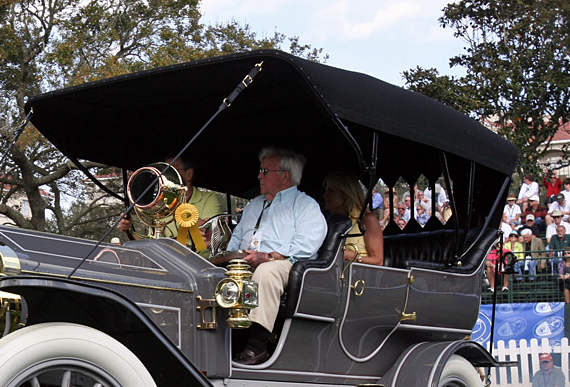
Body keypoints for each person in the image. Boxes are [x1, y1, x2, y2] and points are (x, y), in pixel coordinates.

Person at [220, 147, 327, 365]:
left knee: (266, 273)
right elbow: (237, 236)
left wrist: (268, 256)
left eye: (265, 171)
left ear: (285, 175)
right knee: (212, 275)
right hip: (247, 260)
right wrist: (226, 259)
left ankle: (257, 347)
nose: (259, 175)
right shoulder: (255, 204)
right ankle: (218, 341)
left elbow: (308, 244)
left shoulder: (305, 205)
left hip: (285, 263)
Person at [117, 156, 223, 245]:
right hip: (170, 265)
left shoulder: (209, 198)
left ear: (189, 174)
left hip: (202, 264)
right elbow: (153, 245)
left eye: (173, 171)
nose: (166, 177)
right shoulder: (161, 207)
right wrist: (128, 229)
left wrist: (178, 205)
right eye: (164, 172)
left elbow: (210, 232)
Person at [321, 171, 384, 266]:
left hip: (359, 276)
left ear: (346, 194)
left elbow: (378, 261)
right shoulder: (328, 220)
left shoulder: (367, 220)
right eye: (326, 191)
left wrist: (351, 256)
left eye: (331, 191)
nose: (325, 195)